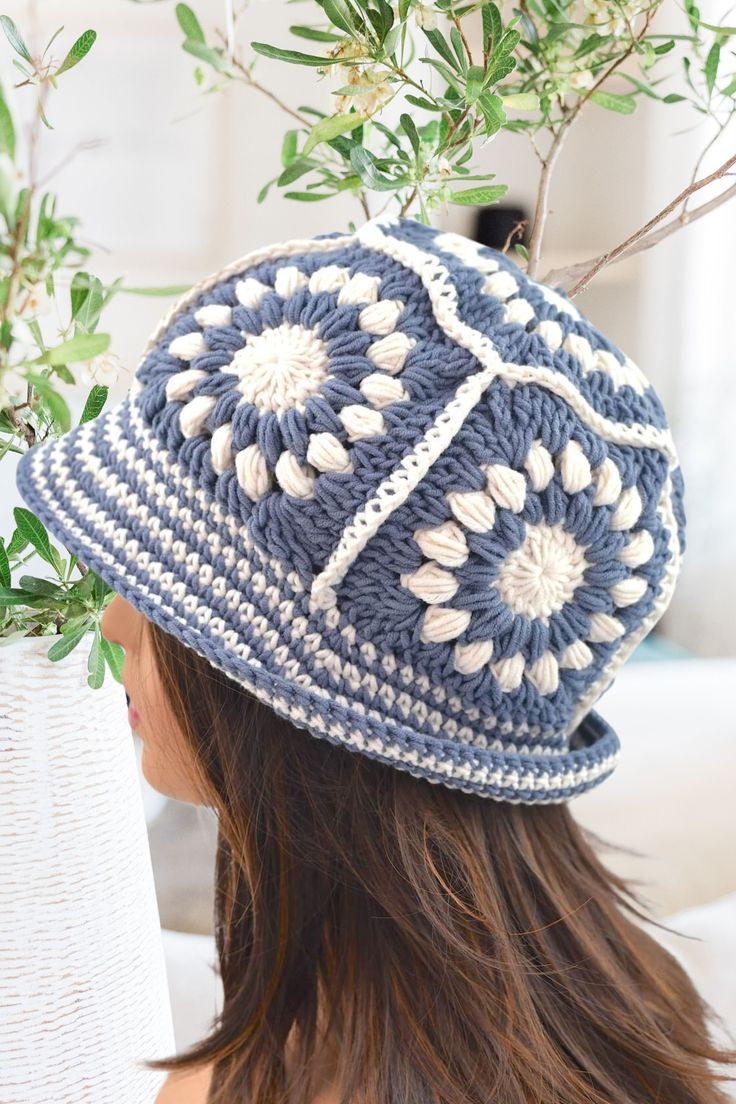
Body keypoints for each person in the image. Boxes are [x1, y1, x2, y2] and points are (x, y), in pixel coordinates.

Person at [16, 216, 736, 1103]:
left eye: (175, 583)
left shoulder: (260, 1085)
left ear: (310, 701)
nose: (120, 622)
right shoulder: (643, 1013)